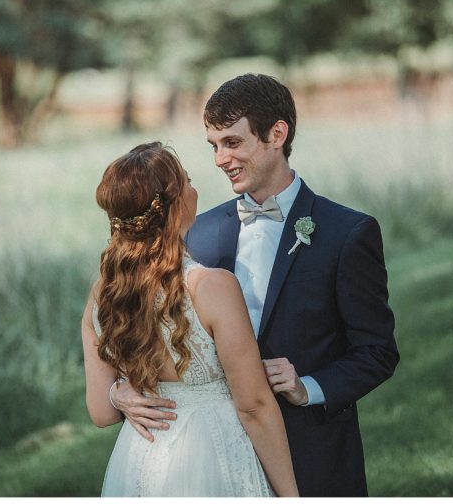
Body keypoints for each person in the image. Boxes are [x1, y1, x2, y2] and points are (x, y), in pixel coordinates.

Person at [114, 75, 399, 497]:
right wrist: (118, 391)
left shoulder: (347, 233)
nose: (219, 158)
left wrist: (309, 387)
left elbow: (377, 352)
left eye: (232, 142)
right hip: (211, 458)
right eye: (213, 145)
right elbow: (142, 324)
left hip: (311, 451)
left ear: (276, 134)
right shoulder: (197, 231)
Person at [81, 142, 299, 497]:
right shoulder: (211, 286)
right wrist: (290, 495)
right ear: (174, 205)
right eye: (188, 180)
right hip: (213, 453)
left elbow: (102, 413)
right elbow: (254, 405)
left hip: (141, 458)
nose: (194, 188)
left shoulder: (103, 294)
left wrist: (117, 392)